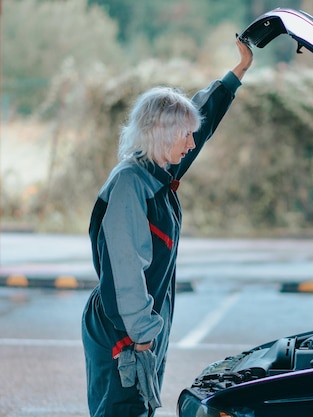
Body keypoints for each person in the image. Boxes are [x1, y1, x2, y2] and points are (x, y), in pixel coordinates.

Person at [81, 38, 253, 417]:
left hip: (139, 328)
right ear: (162, 134)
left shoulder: (156, 173)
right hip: (121, 331)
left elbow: (203, 123)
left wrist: (236, 73)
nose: (192, 143)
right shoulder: (130, 185)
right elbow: (125, 271)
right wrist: (142, 337)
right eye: (184, 135)